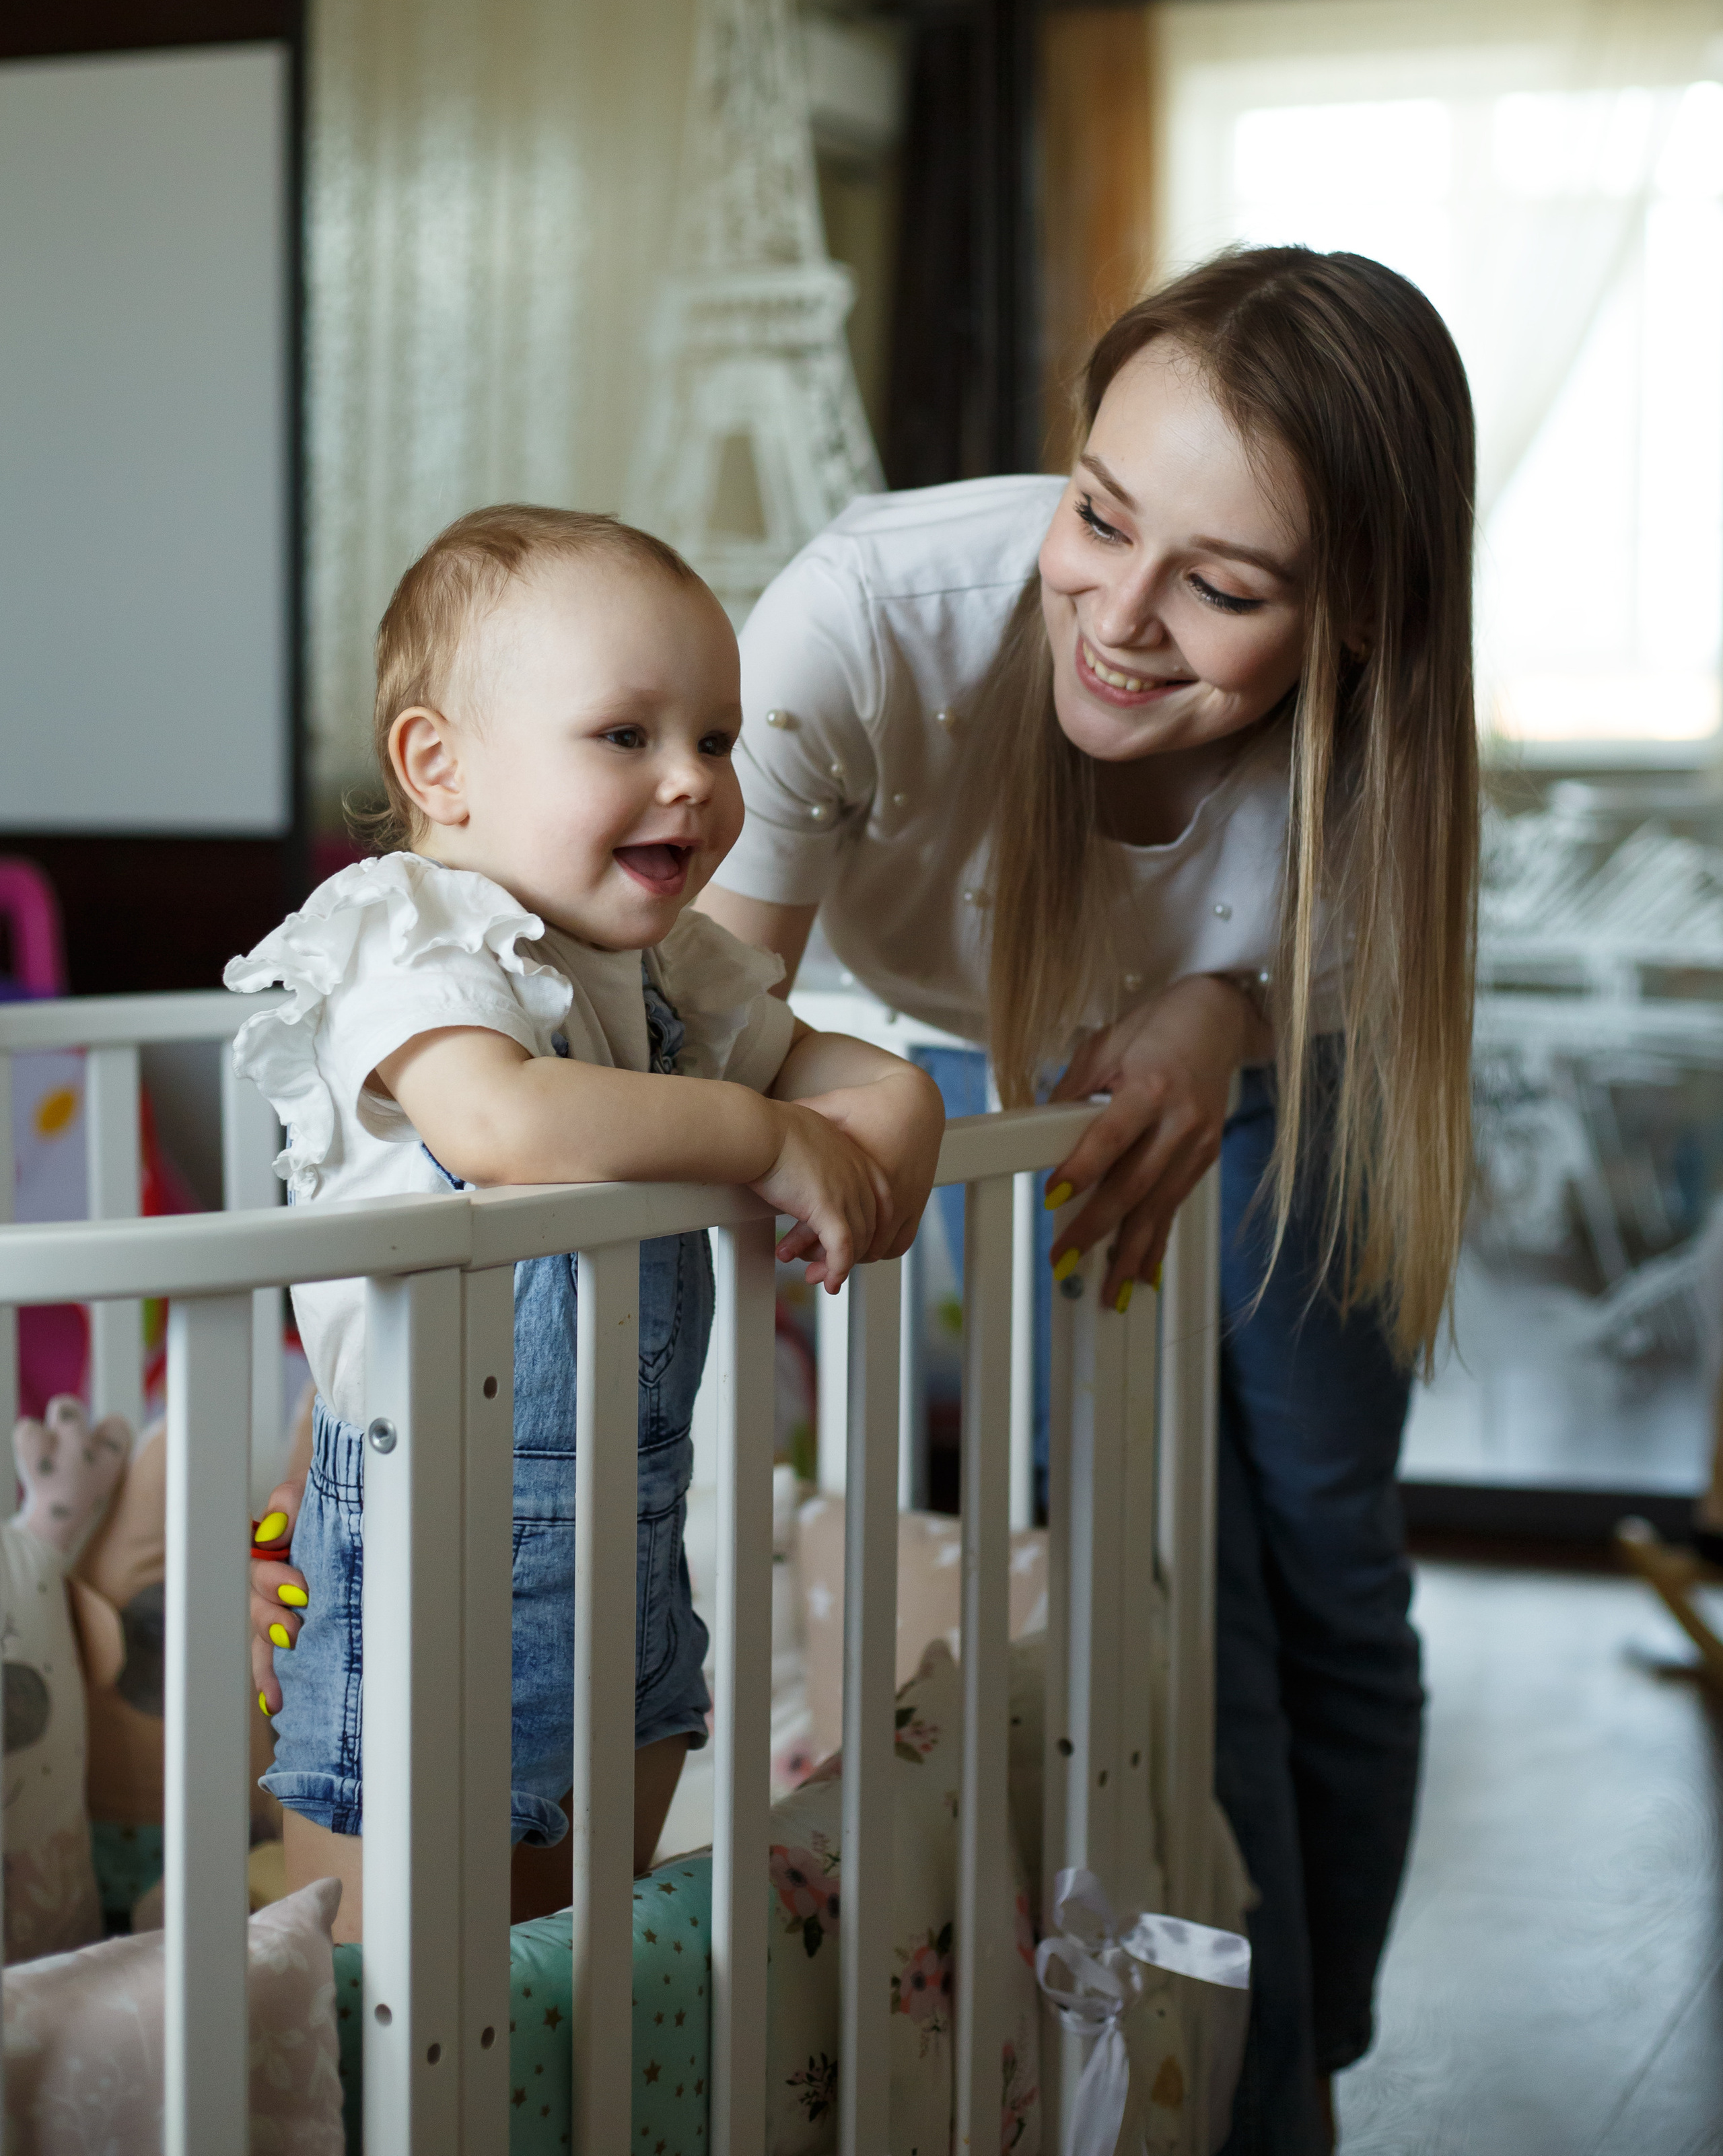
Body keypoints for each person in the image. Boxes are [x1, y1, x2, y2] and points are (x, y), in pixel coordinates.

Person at [698, 246, 1479, 2155]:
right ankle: (1246, 2092)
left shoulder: (1377, 755)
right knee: (1161, 1588)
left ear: (1359, 619)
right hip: (970, 1060)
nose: (1119, 620)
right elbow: (711, 1014)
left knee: (1329, 1571)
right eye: (1098, 517)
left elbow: (1353, 961)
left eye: (1218, 588)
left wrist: (1226, 1005)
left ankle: (1308, 2044)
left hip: (1308, 1057)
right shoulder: (875, 616)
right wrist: (844, 1094)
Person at [232, 505, 943, 1943]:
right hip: (426, 1574)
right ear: (439, 766)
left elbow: (850, 1071)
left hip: (631, 1553)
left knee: (573, 1977)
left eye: (718, 739)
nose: (690, 780)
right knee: (402, 1986)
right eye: (625, 737)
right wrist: (760, 1137)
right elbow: (499, 1125)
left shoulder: (672, 972)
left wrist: (893, 1140)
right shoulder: (406, 933)